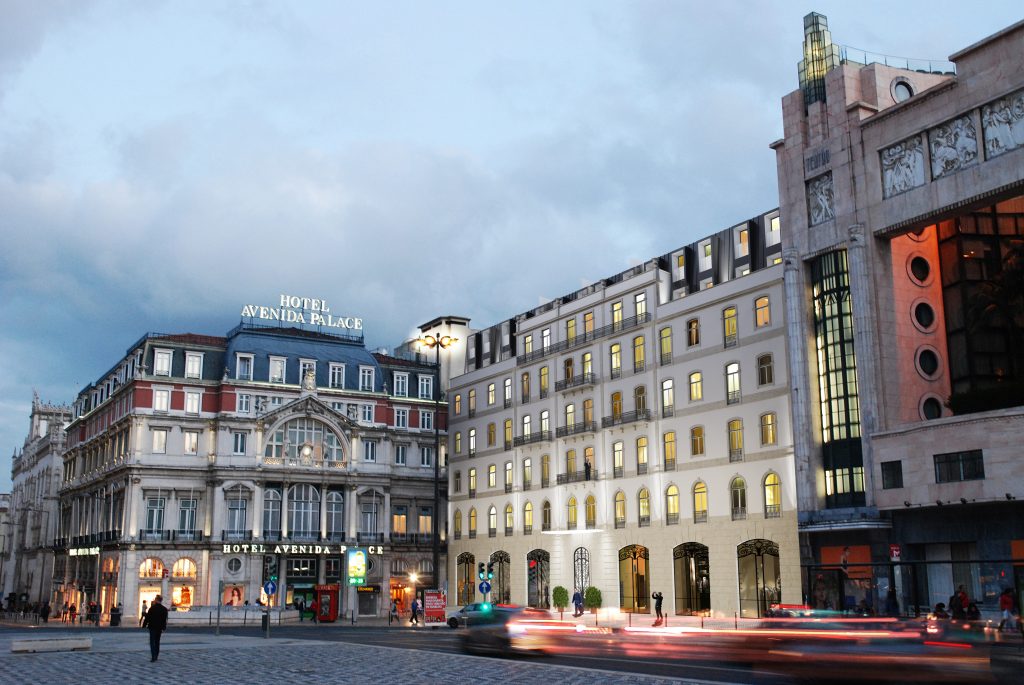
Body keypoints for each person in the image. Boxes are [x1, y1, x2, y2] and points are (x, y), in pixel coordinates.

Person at [142, 595, 169, 662]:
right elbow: (164, 619)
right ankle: (156, 655)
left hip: (152, 626)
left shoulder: (152, 608)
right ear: (161, 600)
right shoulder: (164, 609)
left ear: (156, 600)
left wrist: (144, 625)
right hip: (159, 627)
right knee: (157, 641)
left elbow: (147, 617)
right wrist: (164, 627)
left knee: (152, 641)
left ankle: (153, 656)